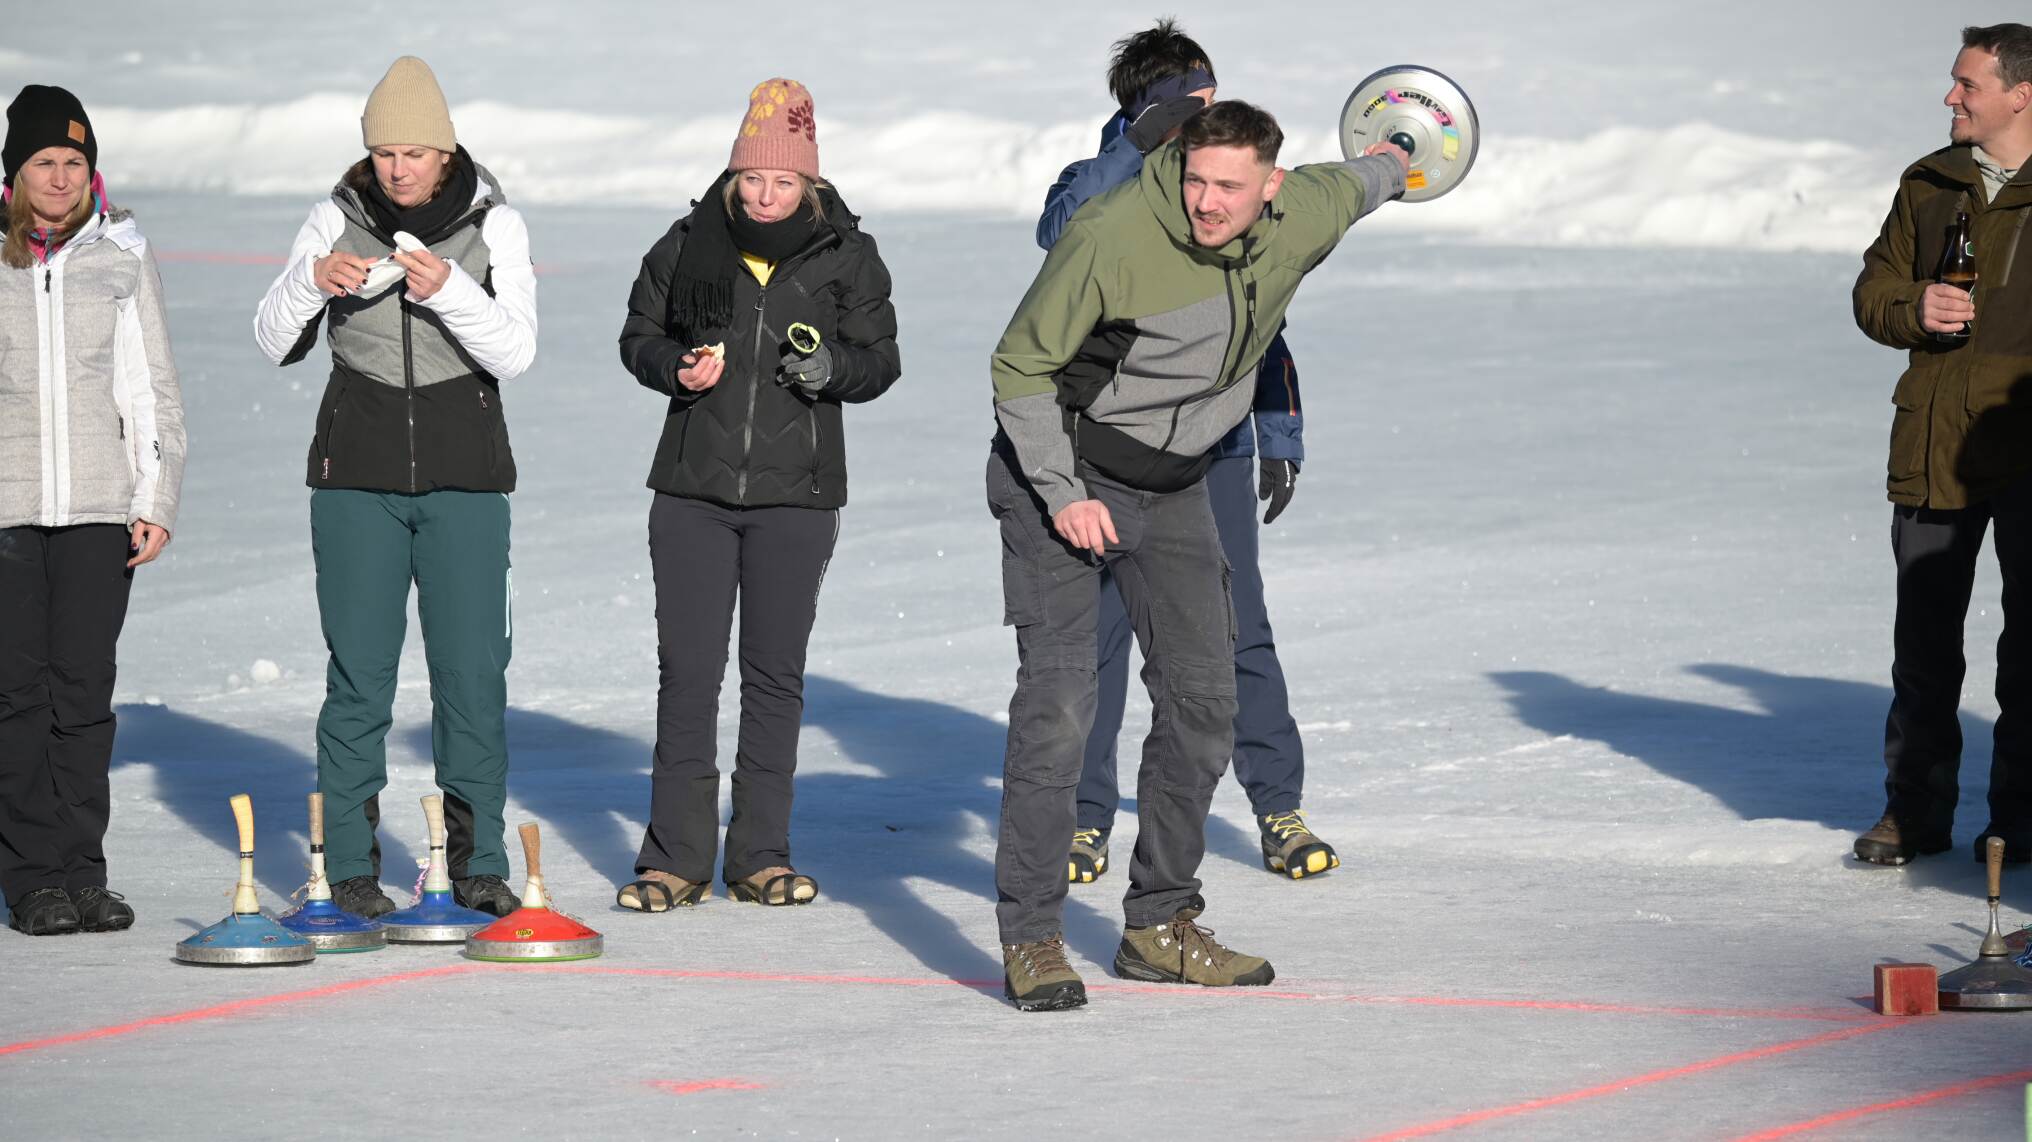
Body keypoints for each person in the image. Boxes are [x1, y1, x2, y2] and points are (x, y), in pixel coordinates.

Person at [989, 99, 1407, 1010]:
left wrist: (1401, 153)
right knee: (1060, 706)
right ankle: (1032, 936)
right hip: (1062, 471)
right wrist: (1062, 491)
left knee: (1205, 701)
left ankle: (1159, 925)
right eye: (1196, 180)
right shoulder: (1112, 237)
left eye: (1229, 187)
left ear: (1272, 187)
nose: (1208, 202)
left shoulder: (1304, 213)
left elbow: (1367, 180)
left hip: (1174, 483)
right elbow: (1018, 366)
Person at [1038, 20, 1336, 888]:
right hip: (1110, 449)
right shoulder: (1098, 185)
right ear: (1151, 108)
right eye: (1192, 103)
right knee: (1099, 637)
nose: (1212, 115)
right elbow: (1062, 234)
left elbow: (1262, 317)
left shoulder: (1232, 187)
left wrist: (1278, 431)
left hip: (1219, 450)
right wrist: (1138, 144)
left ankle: (1278, 807)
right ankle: (1085, 819)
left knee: (1238, 624)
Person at [253, 57, 538, 917]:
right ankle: (348, 868)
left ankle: (478, 864)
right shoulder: (332, 218)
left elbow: (515, 351)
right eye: (385, 154)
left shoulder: (496, 224)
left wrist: (452, 291)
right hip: (356, 482)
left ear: (445, 152)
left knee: (472, 678)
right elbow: (272, 339)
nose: (399, 169)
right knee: (359, 678)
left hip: (466, 482)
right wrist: (311, 281)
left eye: (415, 153)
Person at [613, 78, 900, 911]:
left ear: (809, 181)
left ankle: (761, 856)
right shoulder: (685, 244)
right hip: (692, 492)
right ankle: (675, 859)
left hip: (796, 498)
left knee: (774, 679)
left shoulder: (847, 255)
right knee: (688, 675)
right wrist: (674, 367)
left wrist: (831, 369)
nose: (765, 195)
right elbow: (639, 336)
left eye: (782, 180)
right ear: (733, 174)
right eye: (752, 178)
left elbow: (880, 361)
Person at [0, 85, 185, 936]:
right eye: (44, 161)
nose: (61, 177)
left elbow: (151, 387)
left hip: (98, 508)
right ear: (15, 173)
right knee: (17, 697)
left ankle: (83, 873)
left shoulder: (120, 254)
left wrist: (155, 496)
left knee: (82, 695)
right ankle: (32, 877)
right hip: (7, 512)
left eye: (74, 162)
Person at [1852, 23, 2032, 867]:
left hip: (2026, 451)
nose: (1950, 96)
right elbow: (1873, 291)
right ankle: (1913, 814)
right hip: (1933, 440)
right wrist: (1914, 304)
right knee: (1923, 647)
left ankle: (2020, 823)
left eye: (1968, 84)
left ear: (2021, 95)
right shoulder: (1929, 182)